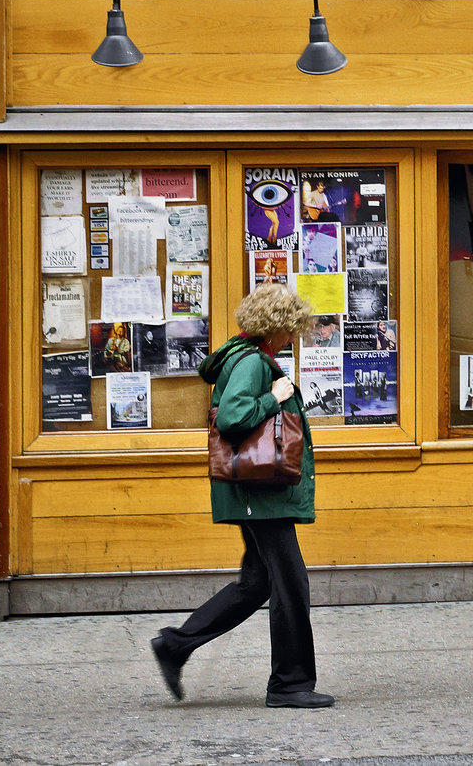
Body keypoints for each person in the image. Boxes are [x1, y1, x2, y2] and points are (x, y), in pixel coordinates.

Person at [149, 283, 334, 709]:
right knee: (291, 585)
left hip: (256, 491)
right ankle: (290, 684)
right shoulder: (253, 362)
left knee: (257, 583)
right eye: (292, 328)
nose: (294, 336)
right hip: (260, 491)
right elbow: (233, 418)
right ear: (278, 327)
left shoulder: (245, 355)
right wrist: (275, 396)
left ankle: (176, 645)